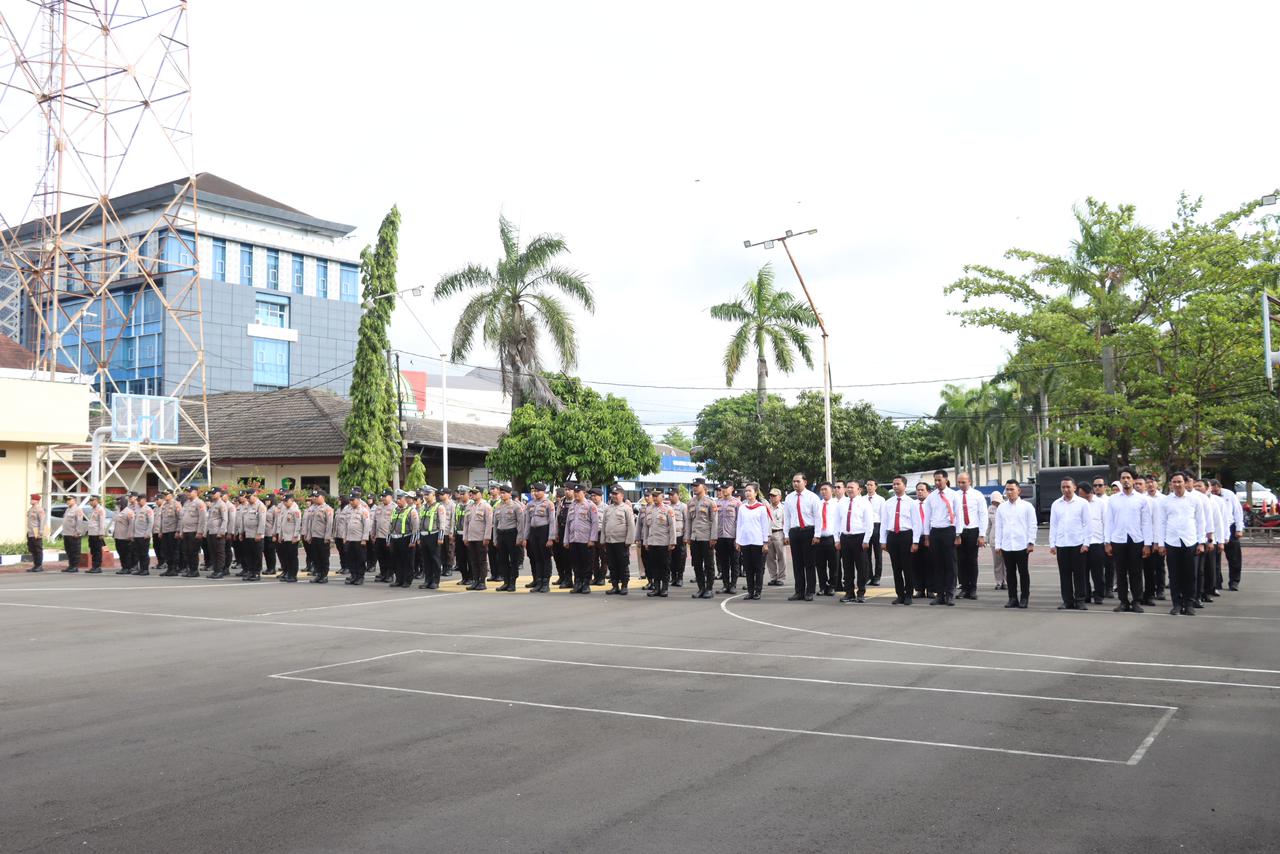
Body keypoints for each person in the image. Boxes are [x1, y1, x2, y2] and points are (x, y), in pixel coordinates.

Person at [1154, 472, 1206, 616]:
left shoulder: (1195, 500)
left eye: (1179, 482)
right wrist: (1161, 543)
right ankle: (1176, 604)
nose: (1177, 485)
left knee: (1190, 575)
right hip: (1172, 542)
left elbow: (1201, 522)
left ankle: (1189, 604)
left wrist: (1201, 542)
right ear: (1171, 484)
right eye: (1174, 482)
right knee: (1174, 575)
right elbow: (1161, 523)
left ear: (1185, 483)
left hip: (1190, 541)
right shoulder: (1165, 501)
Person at [1103, 467, 1151, 612]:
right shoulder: (1113, 499)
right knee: (1121, 572)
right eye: (1123, 478)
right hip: (1118, 539)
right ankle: (1123, 601)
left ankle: (1136, 601)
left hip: (1136, 540)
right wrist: (1107, 542)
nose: (1125, 480)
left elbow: (1146, 522)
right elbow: (1109, 521)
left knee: (1136, 572)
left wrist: (1147, 544)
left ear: (1134, 480)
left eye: (1128, 478)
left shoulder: (1142, 499)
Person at [1048, 478, 1090, 610]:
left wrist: (1086, 543)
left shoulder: (1082, 503)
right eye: (1063, 487)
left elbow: (1087, 524)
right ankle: (1067, 600)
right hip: (1062, 544)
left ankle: (1080, 600)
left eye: (1068, 487)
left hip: (1078, 543)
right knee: (1064, 574)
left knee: (1079, 574)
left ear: (1074, 488)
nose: (1065, 489)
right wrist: (1052, 544)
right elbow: (1053, 525)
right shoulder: (1056, 504)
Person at [993, 479, 1036, 608]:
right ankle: (1012, 598)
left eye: (1012, 489)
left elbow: (1032, 525)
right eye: (1007, 489)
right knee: (1010, 573)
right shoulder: (1002, 507)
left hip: (1022, 545)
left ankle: (1024, 598)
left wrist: (1031, 542)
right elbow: (999, 527)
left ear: (1019, 490)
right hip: (1007, 545)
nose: (1009, 492)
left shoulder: (1027, 506)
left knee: (1023, 573)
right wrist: (998, 545)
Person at [880, 476, 920, 605]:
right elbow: (884, 522)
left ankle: (909, 594)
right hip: (893, 536)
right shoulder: (888, 503)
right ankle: (900, 594)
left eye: (898, 484)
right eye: (894, 484)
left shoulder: (911, 503)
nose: (895, 486)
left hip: (906, 535)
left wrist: (915, 542)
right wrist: (883, 540)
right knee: (896, 568)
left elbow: (917, 523)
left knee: (907, 567)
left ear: (904, 486)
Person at [783, 473, 821, 601]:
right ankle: (799, 591)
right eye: (794, 481)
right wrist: (786, 534)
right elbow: (787, 517)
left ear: (805, 482)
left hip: (808, 531)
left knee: (809, 563)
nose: (795, 483)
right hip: (795, 532)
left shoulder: (812, 497)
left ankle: (810, 591)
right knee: (797, 563)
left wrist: (817, 535)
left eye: (798, 481)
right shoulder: (789, 498)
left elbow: (818, 517)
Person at [923, 470, 959, 606]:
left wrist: (958, 534)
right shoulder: (931, 497)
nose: (937, 482)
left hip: (949, 531)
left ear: (946, 480)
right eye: (935, 480)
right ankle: (940, 594)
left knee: (950, 564)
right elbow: (927, 517)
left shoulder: (954, 495)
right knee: (937, 564)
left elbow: (959, 515)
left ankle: (950, 594)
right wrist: (927, 536)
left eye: (939, 480)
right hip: (935, 532)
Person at [836, 479, 873, 604]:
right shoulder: (842, 503)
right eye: (848, 487)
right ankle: (849, 592)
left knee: (861, 567)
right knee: (847, 567)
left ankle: (861, 592)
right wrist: (837, 539)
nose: (849, 489)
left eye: (852, 487)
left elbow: (869, 524)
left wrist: (866, 540)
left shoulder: (865, 503)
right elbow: (837, 522)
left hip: (859, 538)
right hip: (845, 537)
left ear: (859, 490)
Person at [953, 472, 987, 600]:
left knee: (972, 560)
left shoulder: (977, 495)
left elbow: (983, 515)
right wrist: (956, 533)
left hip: (973, 530)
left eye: (963, 482)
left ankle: (973, 588)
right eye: (959, 482)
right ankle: (964, 587)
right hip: (959, 531)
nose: (961, 484)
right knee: (960, 560)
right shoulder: (955, 496)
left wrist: (982, 535)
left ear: (969, 481)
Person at [735, 483, 771, 600]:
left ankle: (758, 591)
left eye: (750, 491)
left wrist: (765, 542)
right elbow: (739, 525)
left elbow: (765, 526)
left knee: (758, 568)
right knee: (748, 568)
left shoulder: (761, 507)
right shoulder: (742, 507)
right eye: (746, 491)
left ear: (755, 493)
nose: (747, 493)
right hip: (745, 541)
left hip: (758, 541)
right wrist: (738, 541)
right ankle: (750, 591)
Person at [640, 487, 677, 597]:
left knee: (664, 566)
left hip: (664, 543)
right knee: (654, 566)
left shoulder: (668, 509)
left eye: (657, 496)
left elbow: (672, 527)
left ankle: (664, 588)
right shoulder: (649, 510)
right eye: (654, 496)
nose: (655, 498)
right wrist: (646, 542)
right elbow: (646, 528)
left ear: (662, 497)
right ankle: (656, 588)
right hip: (652, 542)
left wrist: (672, 542)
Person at [563, 484, 600, 594]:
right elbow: (568, 524)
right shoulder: (572, 506)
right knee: (575, 563)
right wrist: (566, 540)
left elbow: (595, 523)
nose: (576, 494)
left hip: (585, 540)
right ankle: (578, 583)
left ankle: (586, 584)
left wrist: (592, 539)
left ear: (584, 493)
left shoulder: (590, 505)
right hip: (574, 539)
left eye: (578, 492)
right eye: (575, 492)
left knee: (587, 564)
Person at [685, 477, 718, 598]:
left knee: (709, 564)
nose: (694, 488)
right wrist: (688, 536)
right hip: (695, 538)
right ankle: (701, 588)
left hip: (706, 537)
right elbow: (688, 521)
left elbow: (714, 521)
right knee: (697, 564)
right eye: (693, 486)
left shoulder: (710, 502)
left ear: (703, 487)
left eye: (696, 486)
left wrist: (713, 537)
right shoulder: (691, 502)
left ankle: (709, 588)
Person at [601, 484, 637, 595]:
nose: (614, 496)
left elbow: (631, 525)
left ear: (622, 495)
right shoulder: (608, 509)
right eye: (612, 494)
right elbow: (604, 525)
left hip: (621, 542)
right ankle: (614, 586)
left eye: (616, 494)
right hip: (610, 541)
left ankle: (624, 586)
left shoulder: (626, 508)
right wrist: (603, 540)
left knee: (623, 564)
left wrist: (629, 540)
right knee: (612, 565)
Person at [493, 484, 527, 591]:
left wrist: (520, 538)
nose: (502, 495)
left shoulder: (516, 506)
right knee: (502, 560)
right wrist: (495, 538)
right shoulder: (498, 506)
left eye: (504, 493)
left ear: (510, 494)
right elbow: (495, 524)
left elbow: (521, 523)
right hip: (501, 534)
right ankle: (506, 582)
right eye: (501, 493)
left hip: (512, 534)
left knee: (513, 560)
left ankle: (512, 582)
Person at [524, 483, 557, 593]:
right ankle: (538, 582)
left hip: (544, 531)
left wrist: (551, 538)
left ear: (543, 492)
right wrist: (525, 537)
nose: (536, 493)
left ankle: (545, 583)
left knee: (545, 558)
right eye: (534, 491)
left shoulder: (549, 504)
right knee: (536, 558)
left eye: (538, 491)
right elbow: (527, 522)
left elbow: (552, 521)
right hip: (533, 532)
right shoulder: (530, 504)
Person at [1078, 482, 1107, 604]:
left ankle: (1099, 595)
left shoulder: (1101, 503)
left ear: (1089, 492)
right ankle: (1086, 594)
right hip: (1082, 542)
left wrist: (1106, 541)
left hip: (1097, 542)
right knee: (1083, 571)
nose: (1080, 497)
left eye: (1082, 494)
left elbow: (1106, 522)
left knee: (1098, 572)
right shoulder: (1079, 504)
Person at [1213, 479, 1245, 591]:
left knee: (1234, 557)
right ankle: (1217, 582)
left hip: (1230, 526)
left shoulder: (1229, 494)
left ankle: (1234, 582)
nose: (1215, 493)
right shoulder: (1208, 497)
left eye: (1216, 491)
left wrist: (1239, 528)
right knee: (1215, 558)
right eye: (1213, 491)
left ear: (1220, 487)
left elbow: (1237, 511)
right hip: (1216, 528)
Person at [462, 485, 494, 590]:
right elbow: (466, 523)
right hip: (471, 538)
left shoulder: (486, 506)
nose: (473, 495)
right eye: (472, 493)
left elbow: (489, 523)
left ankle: (482, 582)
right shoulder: (469, 506)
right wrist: (465, 537)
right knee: (473, 560)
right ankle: (475, 580)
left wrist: (487, 537)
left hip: (481, 538)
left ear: (481, 493)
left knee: (482, 561)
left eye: (475, 493)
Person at [387, 491, 419, 588]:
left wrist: (413, 541)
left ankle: (407, 580)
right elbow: (390, 526)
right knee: (396, 560)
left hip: (406, 538)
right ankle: (398, 579)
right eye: (397, 499)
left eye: (400, 499)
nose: (398, 501)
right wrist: (388, 539)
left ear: (405, 499)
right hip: (395, 538)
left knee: (407, 561)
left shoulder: (411, 511)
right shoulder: (395, 510)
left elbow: (415, 527)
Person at [713, 482, 740, 593]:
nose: (723, 490)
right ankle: (725, 585)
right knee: (723, 562)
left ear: (732, 488)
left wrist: (738, 538)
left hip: (732, 536)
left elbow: (739, 521)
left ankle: (733, 585)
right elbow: (713, 521)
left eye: (726, 488)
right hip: (720, 536)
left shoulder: (737, 503)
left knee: (734, 562)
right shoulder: (716, 503)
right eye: (722, 488)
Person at [417, 487, 446, 590]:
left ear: (433, 495)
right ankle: (427, 580)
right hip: (423, 535)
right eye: (424, 494)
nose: (425, 496)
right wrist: (418, 537)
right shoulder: (423, 507)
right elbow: (419, 523)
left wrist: (440, 537)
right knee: (426, 559)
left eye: (427, 494)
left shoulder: (439, 507)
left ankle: (435, 581)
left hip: (434, 535)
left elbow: (442, 523)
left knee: (435, 559)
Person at [303, 491, 334, 583]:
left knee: (323, 557)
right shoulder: (313, 509)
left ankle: (324, 575)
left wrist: (327, 537)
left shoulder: (327, 509)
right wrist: (309, 535)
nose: (315, 498)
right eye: (314, 497)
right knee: (315, 557)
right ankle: (318, 574)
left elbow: (329, 524)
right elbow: (310, 523)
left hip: (322, 537)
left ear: (322, 497)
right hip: (314, 536)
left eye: (317, 496)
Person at [177, 486, 207, 578]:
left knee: (193, 552)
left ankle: (194, 570)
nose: (188, 493)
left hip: (194, 531)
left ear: (195, 492)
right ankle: (190, 569)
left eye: (190, 491)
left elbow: (203, 518)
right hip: (186, 531)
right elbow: (182, 518)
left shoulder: (199, 503)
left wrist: (200, 531)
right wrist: (181, 531)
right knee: (186, 552)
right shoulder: (186, 503)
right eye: (187, 492)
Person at [345, 492, 373, 586]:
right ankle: (353, 576)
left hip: (359, 539)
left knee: (360, 559)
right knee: (351, 558)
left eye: (353, 500)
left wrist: (364, 539)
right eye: (350, 500)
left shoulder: (364, 510)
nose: (351, 502)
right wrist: (345, 537)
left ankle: (360, 577)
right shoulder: (349, 510)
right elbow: (346, 525)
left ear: (358, 500)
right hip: (350, 539)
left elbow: (367, 525)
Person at [239, 491, 267, 581]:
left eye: (249, 497)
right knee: (248, 554)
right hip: (247, 534)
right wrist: (241, 532)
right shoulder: (247, 506)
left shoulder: (260, 506)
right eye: (246, 497)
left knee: (257, 555)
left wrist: (259, 533)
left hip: (256, 534)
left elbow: (262, 521)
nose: (247, 499)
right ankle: (250, 571)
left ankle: (256, 573)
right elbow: (243, 520)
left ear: (255, 496)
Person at [275, 493, 303, 583]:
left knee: (292, 557)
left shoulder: (295, 510)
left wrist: (295, 536)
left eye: (286, 501)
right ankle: (288, 573)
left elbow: (298, 524)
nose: (284, 503)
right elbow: (281, 523)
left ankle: (293, 575)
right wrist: (280, 535)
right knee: (286, 557)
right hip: (285, 537)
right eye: (284, 501)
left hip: (292, 537)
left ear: (291, 500)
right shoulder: (284, 509)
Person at [864, 479, 885, 586]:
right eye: (867, 485)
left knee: (878, 554)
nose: (869, 487)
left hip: (877, 526)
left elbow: (883, 516)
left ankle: (877, 577)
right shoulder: (862, 499)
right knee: (866, 553)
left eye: (871, 485)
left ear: (876, 486)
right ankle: (868, 576)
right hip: (866, 527)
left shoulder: (881, 500)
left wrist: (882, 532)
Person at [58, 496, 88, 573]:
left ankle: (75, 566)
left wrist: (78, 532)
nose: (67, 501)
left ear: (74, 500)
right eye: (67, 500)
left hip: (73, 533)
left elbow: (79, 521)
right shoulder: (68, 509)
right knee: (68, 550)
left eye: (69, 500)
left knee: (75, 551)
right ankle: (71, 565)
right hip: (67, 533)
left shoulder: (77, 510)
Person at [913, 482, 932, 599]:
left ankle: (931, 589)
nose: (919, 492)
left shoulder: (931, 504)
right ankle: (919, 589)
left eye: (922, 490)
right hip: (916, 537)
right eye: (918, 490)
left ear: (928, 492)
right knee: (917, 564)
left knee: (930, 564)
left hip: (929, 537)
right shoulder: (912, 505)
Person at [205, 488, 229, 579]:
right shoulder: (213, 504)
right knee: (213, 552)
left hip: (218, 532)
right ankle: (215, 570)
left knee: (219, 552)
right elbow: (209, 519)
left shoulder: (221, 504)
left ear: (219, 494)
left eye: (214, 493)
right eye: (211, 493)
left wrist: (221, 531)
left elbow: (225, 519)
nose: (212, 495)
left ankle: (220, 571)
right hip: (211, 531)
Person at [765, 487, 787, 586]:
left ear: (780, 497)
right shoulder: (766, 508)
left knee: (781, 556)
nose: (772, 497)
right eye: (771, 496)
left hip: (779, 532)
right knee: (770, 557)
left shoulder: (783, 508)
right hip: (768, 534)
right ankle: (773, 577)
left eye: (774, 496)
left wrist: (786, 536)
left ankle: (781, 578)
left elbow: (786, 522)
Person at [372, 490, 394, 583]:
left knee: (389, 557)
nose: (383, 498)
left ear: (390, 497)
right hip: (379, 536)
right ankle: (383, 573)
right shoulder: (379, 507)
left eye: (385, 496)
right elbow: (374, 521)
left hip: (388, 537)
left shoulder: (394, 507)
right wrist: (373, 534)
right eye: (382, 496)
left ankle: (390, 575)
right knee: (380, 556)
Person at [130, 493, 154, 577]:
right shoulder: (136, 509)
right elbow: (133, 522)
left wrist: (147, 533)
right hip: (137, 535)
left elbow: (150, 522)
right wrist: (132, 534)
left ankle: (145, 569)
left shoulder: (148, 509)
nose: (138, 502)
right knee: (138, 553)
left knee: (144, 553)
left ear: (144, 500)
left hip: (144, 535)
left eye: (139, 500)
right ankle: (141, 569)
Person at [667, 489, 688, 587]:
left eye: (672, 495)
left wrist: (686, 536)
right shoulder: (667, 507)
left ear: (678, 495)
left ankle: (680, 577)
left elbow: (687, 522)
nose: (670, 497)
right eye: (669, 495)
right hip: (670, 536)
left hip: (680, 535)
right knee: (670, 558)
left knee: (680, 558)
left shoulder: (683, 506)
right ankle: (673, 577)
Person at [112, 494, 135, 575]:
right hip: (118, 536)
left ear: (123, 503)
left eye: (119, 503)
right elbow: (116, 523)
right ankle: (124, 567)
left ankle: (128, 568)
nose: (118, 505)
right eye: (117, 503)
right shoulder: (118, 511)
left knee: (126, 553)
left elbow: (131, 525)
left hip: (125, 537)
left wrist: (130, 535)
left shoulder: (129, 512)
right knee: (120, 553)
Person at [987, 492, 1005, 591]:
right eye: (993, 501)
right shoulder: (990, 509)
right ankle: (998, 582)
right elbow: (988, 525)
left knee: (1006, 562)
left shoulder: (1006, 507)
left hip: (1005, 539)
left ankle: (1006, 581)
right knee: (997, 563)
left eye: (996, 501)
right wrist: (986, 537)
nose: (995, 503)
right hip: (994, 539)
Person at [84, 495, 107, 573]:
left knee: (97, 551)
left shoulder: (100, 509)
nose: (90, 502)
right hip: (91, 533)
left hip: (97, 533)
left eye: (92, 500)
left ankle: (97, 567)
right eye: (90, 501)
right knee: (93, 551)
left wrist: (101, 533)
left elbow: (102, 522)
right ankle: (94, 566)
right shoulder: (92, 510)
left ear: (97, 501)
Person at [26, 493, 47, 573]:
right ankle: (35, 565)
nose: (31, 500)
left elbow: (42, 521)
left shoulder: (39, 509)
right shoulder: (31, 509)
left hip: (36, 531)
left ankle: (39, 566)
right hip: (31, 531)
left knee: (38, 549)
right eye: (31, 499)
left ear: (37, 500)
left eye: (32, 499)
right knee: (33, 549)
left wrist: (40, 532)